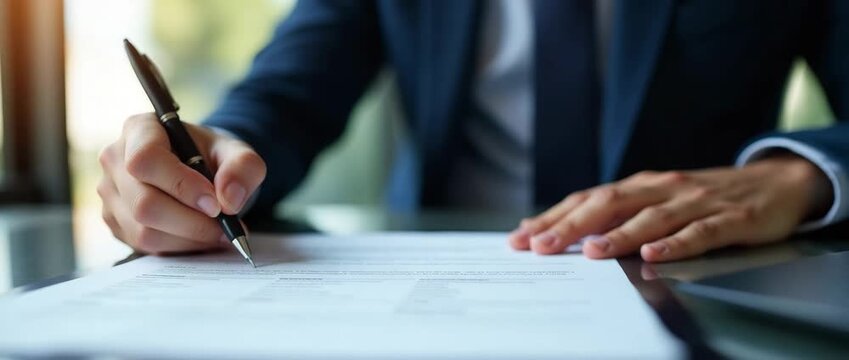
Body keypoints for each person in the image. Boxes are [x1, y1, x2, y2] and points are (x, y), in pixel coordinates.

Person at [98, 0, 849, 262]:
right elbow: (287, 94)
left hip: (693, 278)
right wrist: (207, 159)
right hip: (434, 287)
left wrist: (802, 175)